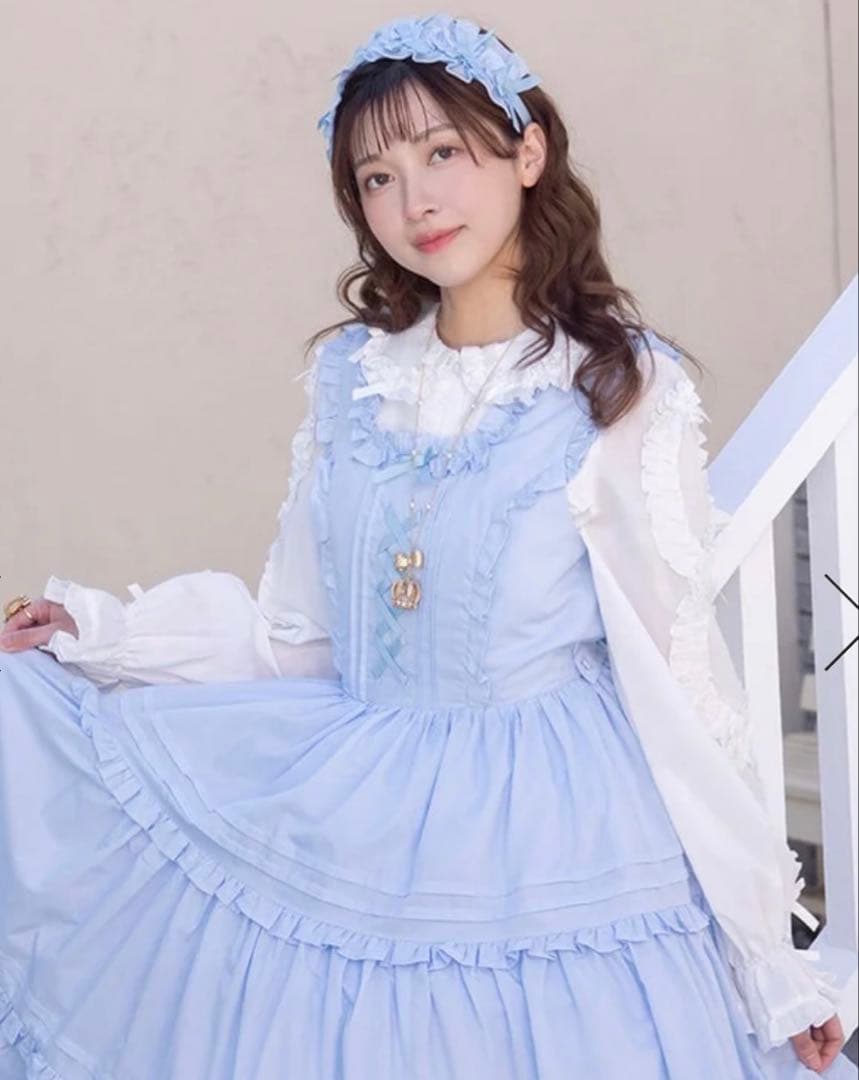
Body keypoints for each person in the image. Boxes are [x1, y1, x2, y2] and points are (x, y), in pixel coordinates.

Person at [0, 13, 854, 1079]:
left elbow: (680, 690)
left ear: (526, 152)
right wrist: (102, 634)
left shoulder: (616, 387)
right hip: (352, 799)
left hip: (547, 828)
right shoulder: (353, 378)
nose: (415, 201)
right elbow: (296, 635)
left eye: (442, 152)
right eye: (377, 177)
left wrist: (770, 959)